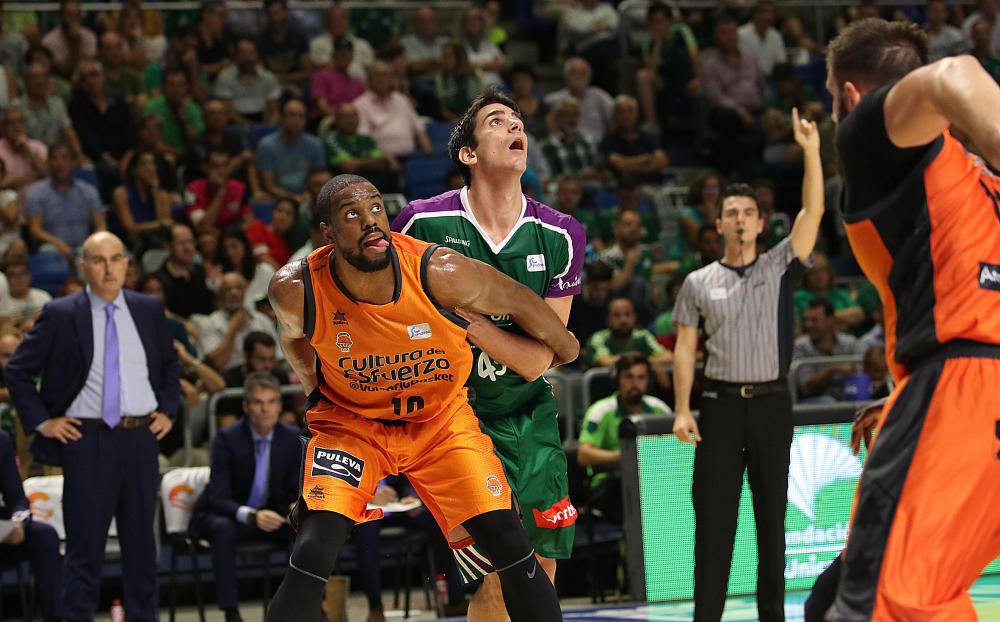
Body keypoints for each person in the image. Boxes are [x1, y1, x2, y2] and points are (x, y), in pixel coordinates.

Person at [264, 173, 575, 622]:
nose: (371, 222)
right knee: (314, 547)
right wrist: (314, 390)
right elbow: (293, 338)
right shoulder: (296, 288)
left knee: (509, 542)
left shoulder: (440, 272)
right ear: (327, 233)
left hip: (441, 422)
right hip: (353, 425)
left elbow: (521, 299)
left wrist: (566, 348)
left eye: (375, 208)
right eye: (352, 215)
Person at [807, 18, 1000, 621]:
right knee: (893, 598)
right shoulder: (978, 182)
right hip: (964, 389)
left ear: (848, 96)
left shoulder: (871, 136)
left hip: (964, 389)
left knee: (873, 604)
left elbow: (957, 71)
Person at [391, 90, 585, 621]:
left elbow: (538, 361)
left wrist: (471, 324)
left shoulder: (560, 234)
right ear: (469, 155)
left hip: (530, 416)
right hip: (455, 423)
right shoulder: (418, 225)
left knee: (543, 569)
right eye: (498, 122)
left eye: (518, 122)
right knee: (500, 577)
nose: (514, 127)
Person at [671, 108, 823, 622]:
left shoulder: (781, 265)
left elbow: (813, 213)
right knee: (714, 526)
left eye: (747, 212)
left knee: (771, 526)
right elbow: (685, 349)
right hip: (718, 408)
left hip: (772, 406)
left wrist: (810, 151)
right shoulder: (697, 282)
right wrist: (681, 410)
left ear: (761, 223)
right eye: (730, 212)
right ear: (717, 224)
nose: (739, 219)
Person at [5, 231, 179, 622]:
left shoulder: (149, 309)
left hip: (140, 438)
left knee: (142, 552)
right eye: (99, 260)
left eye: (116, 258)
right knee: (84, 553)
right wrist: (43, 422)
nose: (108, 268)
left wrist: (168, 409)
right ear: (83, 265)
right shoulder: (62, 313)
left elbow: (170, 367)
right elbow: (17, 371)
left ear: (126, 264)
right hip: (87, 440)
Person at [188, 371, 299, 622]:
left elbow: (294, 488)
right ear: (246, 406)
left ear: (280, 406)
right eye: (258, 403)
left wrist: (295, 507)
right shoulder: (227, 439)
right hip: (229, 514)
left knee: (306, 528)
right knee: (223, 529)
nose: (265, 410)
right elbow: (218, 497)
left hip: (273, 515)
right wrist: (252, 515)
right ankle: (231, 612)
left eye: (271, 402)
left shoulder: (291, 438)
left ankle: (309, 606)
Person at [577, 353, 670, 524]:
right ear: (617, 379)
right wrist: (626, 456)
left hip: (654, 479)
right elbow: (584, 455)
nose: (635, 383)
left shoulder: (659, 409)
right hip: (610, 481)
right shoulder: (601, 410)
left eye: (641, 377)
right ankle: (630, 547)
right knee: (631, 495)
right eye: (629, 377)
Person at [0, 429, 62, 621]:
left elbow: (17, 499)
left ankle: (56, 617)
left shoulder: (1, 441)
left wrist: (18, 522)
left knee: (44, 536)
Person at [25, 143, 106, 262]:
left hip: (84, 245)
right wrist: (58, 244)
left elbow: (101, 225)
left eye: (64, 157)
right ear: (48, 163)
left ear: (73, 162)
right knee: (48, 251)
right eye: (54, 158)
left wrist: (91, 244)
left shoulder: (88, 191)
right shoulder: (36, 192)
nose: (60, 163)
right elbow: (35, 229)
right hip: (54, 246)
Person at [793, 298, 865, 402]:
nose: (809, 325)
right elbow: (807, 388)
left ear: (830, 320)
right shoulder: (800, 346)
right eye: (806, 320)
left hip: (848, 397)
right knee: (827, 401)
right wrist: (832, 370)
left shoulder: (850, 343)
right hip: (814, 402)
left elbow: (862, 375)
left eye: (814, 320)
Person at [256, 99, 325, 204]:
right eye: (292, 115)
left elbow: (318, 177)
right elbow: (269, 185)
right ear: (282, 118)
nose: (297, 121)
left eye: (301, 116)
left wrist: (309, 193)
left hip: (308, 198)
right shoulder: (267, 145)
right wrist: (293, 198)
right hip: (277, 199)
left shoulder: (315, 144)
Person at [213, 38, 281, 126]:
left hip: (263, 122)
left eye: (251, 53)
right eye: (242, 53)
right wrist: (251, 127)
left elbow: (274, 111)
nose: (247, 58)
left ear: (257, 55)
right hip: (235, 124)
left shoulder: (268, 77)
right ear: (235, 56)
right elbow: (228, 112)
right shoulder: (225, 77)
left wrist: (267, 128)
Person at [155, 222, 216, 318]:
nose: (188, 248)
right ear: (168, 247)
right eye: (181, 243)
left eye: (191, 242)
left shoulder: (200, 271)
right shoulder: (159, 279)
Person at [0, 256, 52, 325]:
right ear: (5, 279)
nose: (19, 278)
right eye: (13, 275)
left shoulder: (43, 296)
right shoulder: (2, 302)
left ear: (30, 276)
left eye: (22, 273)